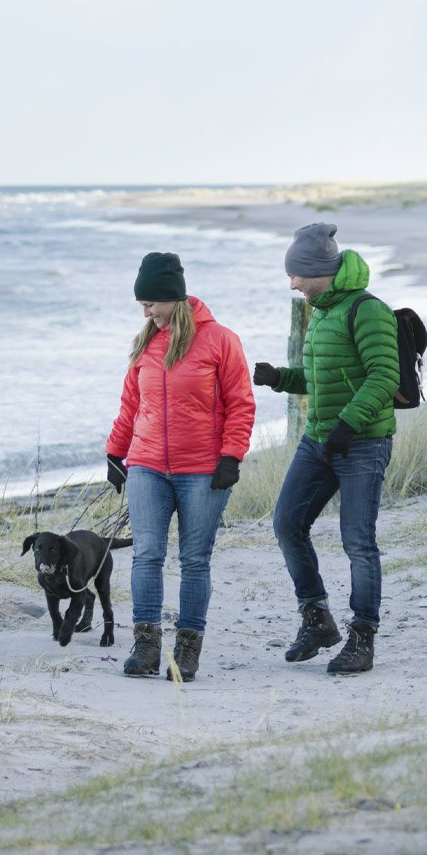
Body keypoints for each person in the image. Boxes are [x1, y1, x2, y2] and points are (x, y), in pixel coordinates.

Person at [251, 223, 398, 675]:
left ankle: (362, 638)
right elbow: (319, 381)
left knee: (358, 541)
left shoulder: (367, 310)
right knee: (287, 523)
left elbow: (383, 377)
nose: (291, 283)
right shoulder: (322, 311)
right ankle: (316, 619)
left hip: (361, 444)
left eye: (296, 274)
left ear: (318, 270)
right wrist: (280, 378)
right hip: (318, 441)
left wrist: (348, 426)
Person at [105, 251, 256, 682]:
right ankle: (146, 647)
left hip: (203, 471)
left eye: (151, 302)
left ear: (174, 296)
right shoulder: (146, 344)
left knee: (194, 560)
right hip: (147, 465)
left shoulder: (220, 340)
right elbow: (132, 404)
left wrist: (232, 456)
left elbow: (241, 404)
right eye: (141, 305)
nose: (147, 311)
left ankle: (186, 650)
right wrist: (115, 452)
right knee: (147, 555)